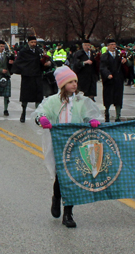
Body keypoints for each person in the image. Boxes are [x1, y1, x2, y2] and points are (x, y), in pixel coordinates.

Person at [32, 66, 101, 228]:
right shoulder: (52, 101)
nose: (74, 84)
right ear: (62, 84)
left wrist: (91, 121)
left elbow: (90, 114)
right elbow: (40, 113)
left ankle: (68, 213)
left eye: (75, 81)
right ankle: (56, 198)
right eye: (70, 81)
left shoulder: (80, 101)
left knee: (72, 176)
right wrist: (41, 119)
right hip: (58, 143)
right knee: (61, 177)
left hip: (76, 143)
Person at [12, 36, 49, 123]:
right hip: (27, 77)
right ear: (28, 42)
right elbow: (19, 63)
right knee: (25, 97)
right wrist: (24, 69)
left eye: (34, 42)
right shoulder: (23, 52)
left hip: (37, 76)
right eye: (32, 42)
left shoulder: (38, 51)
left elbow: (41, 63)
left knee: (38, 97)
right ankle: (23, 112)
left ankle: (38, 116)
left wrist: (46, 64)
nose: (33, 44)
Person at [100, 39, 128, 122]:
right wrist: (107, 74)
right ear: (108, 46)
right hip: (109, 80)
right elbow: (102, 67)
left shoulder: (120, 55)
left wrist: (125, 61)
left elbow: (127, 64)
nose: (113, 46)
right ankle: (107, 112)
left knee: (118, 97)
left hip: (118, 79)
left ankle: (118, 115)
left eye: (114, 44)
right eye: (111, 44)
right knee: (108, 97)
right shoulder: (104, 56)